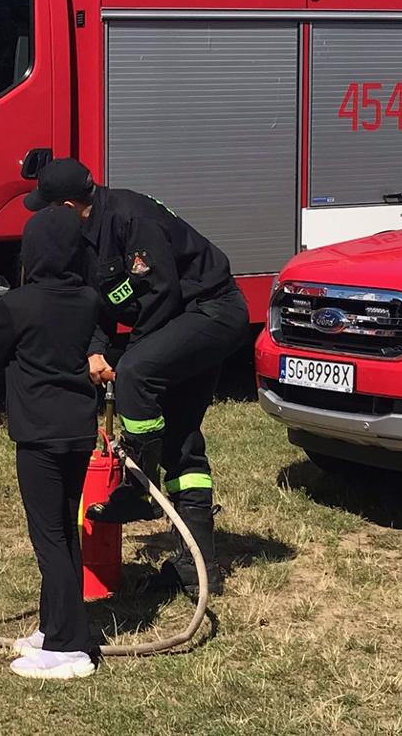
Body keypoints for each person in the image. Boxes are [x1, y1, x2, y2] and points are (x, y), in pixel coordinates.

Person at [26, 158, 247, 598]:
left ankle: (138, 488)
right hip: (180, 320)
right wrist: (95, 350)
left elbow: (160, 297)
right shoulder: (85, 237)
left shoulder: (130, 218)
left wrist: (128, 359)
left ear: (68, 206)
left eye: (48, 208)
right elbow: (101, 303)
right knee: (181, 440)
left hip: (212, 312)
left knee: (136, 373)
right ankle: (197, 568)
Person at [0, 205, 101, 680]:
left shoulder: (18, 304)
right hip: (78, 431)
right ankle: (53, 627)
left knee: (49, 539)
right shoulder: (88, 299)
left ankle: (70, 649)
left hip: (39, 436)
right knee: (65, 530)